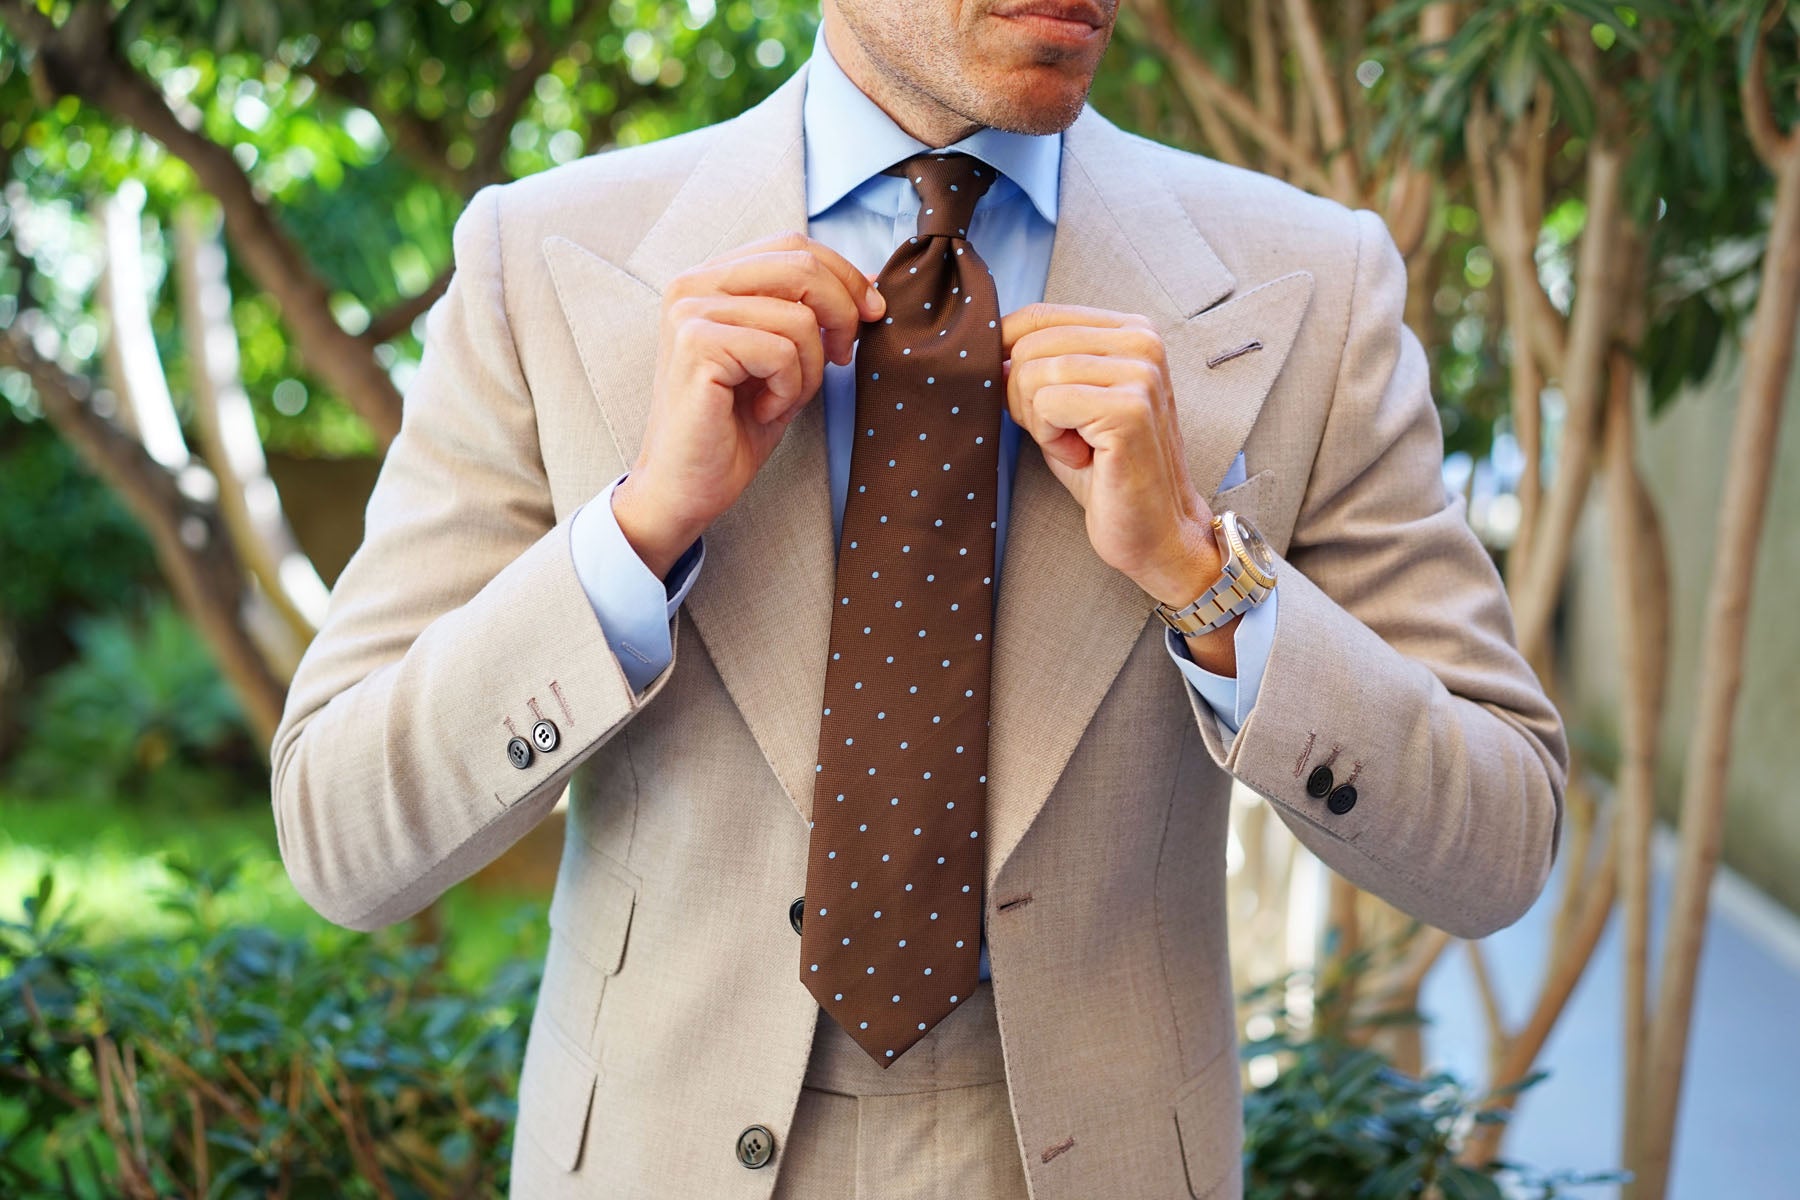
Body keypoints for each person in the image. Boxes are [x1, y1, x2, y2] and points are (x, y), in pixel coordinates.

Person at [269, 1, 1567, 1195]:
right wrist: (638, 531)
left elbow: (1500, 840)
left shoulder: (1311, 282)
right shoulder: (545, 256)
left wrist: (1203, 576)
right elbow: (343, 836)